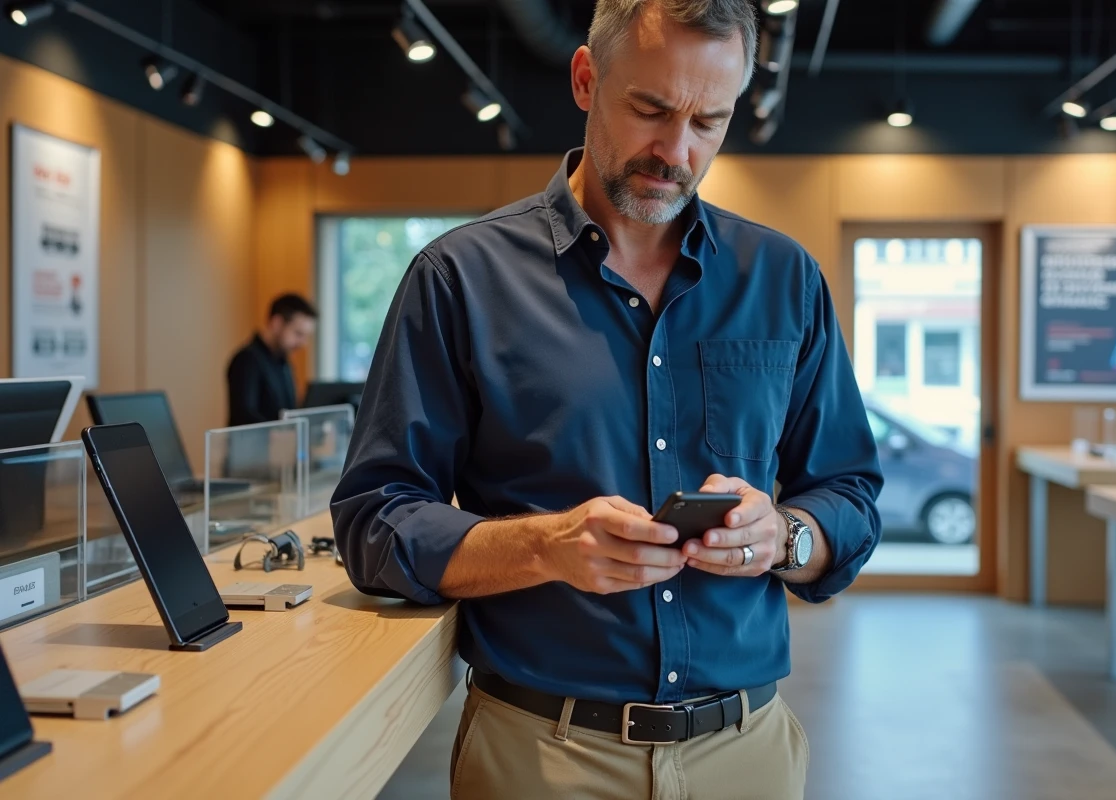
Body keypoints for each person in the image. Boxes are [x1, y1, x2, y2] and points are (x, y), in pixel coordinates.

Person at [332, 0, 883, 796]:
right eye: (651, 110)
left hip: (748, 753)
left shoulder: (783, 279)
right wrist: (546, 546)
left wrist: (785, 537)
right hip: (540, 754)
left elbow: (851, 497)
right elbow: (375, 520)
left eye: (710, 122)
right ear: (587, 79)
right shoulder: (461, 279)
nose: (677, 150)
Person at [226, 293, 317, 426]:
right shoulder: (246, 360)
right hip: (252, 446)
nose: (303, 343)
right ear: (277, 323)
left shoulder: (283, 362)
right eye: (298, 333)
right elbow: (244, 416)